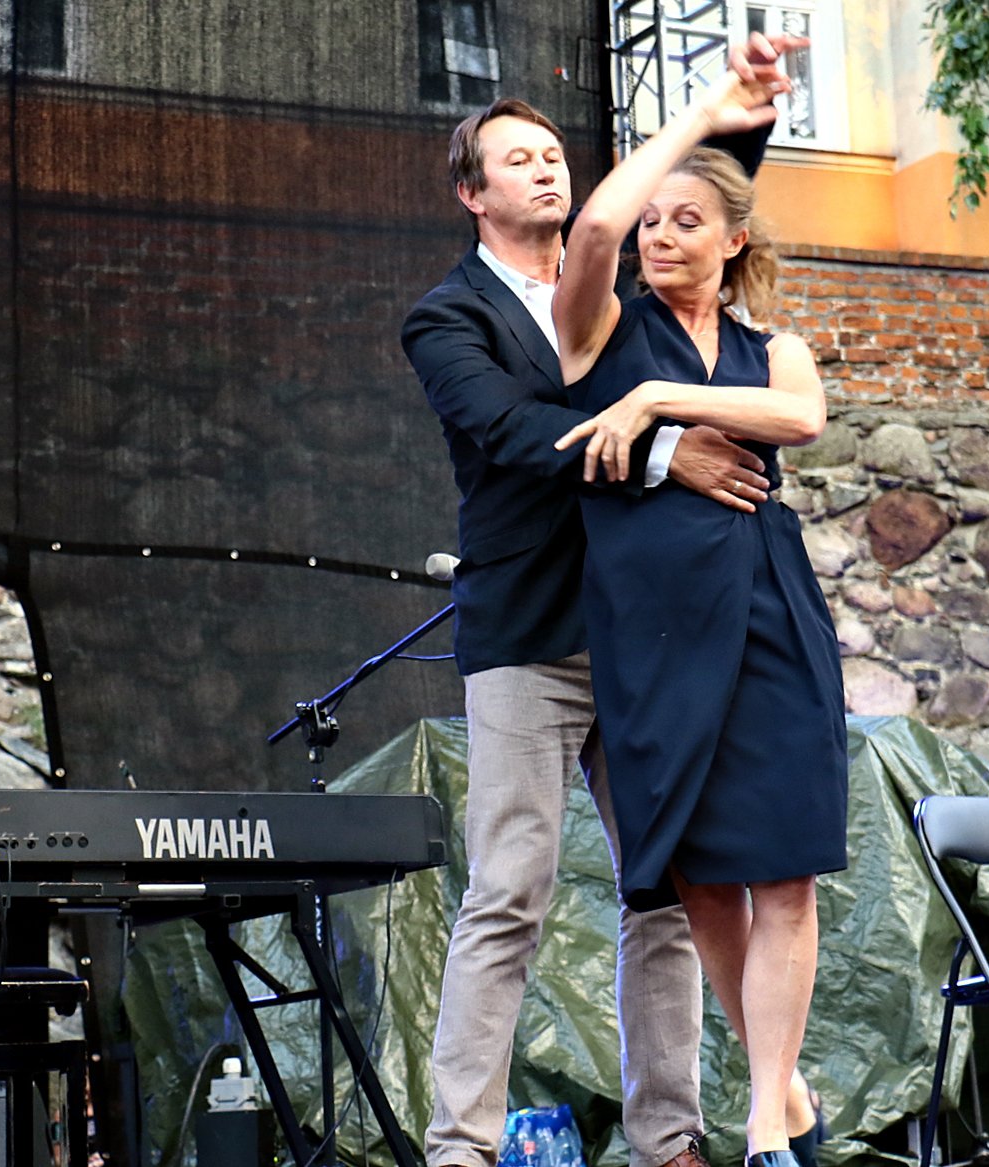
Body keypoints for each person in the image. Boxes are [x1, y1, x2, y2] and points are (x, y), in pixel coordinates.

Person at [400, 35, 822, 1167]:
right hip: (531, 634)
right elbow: (510, 432)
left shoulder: (631, 302)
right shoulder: (446, 318)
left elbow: (708, 212)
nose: (547, 169)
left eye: (554, 155)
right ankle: (461, 1147)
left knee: (670, 890)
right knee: (509, 891)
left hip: (651, 636)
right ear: (471, 194)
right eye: (518, 159)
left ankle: (669, 1137)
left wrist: (744, 108)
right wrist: (664, 449)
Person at [551, 64, 848, 1167]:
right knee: (701, 877)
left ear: (734, 239)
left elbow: (802, 419)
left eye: (688, 220)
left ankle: (764, 1121)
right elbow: (592, 229)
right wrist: (699, 125)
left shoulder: (776, 350)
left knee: (786, 872)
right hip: (656, 632)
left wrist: (655, 401)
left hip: (771, 610)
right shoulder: (598, 330)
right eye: (654, 221)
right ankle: (788, 1097)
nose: (659, 236)